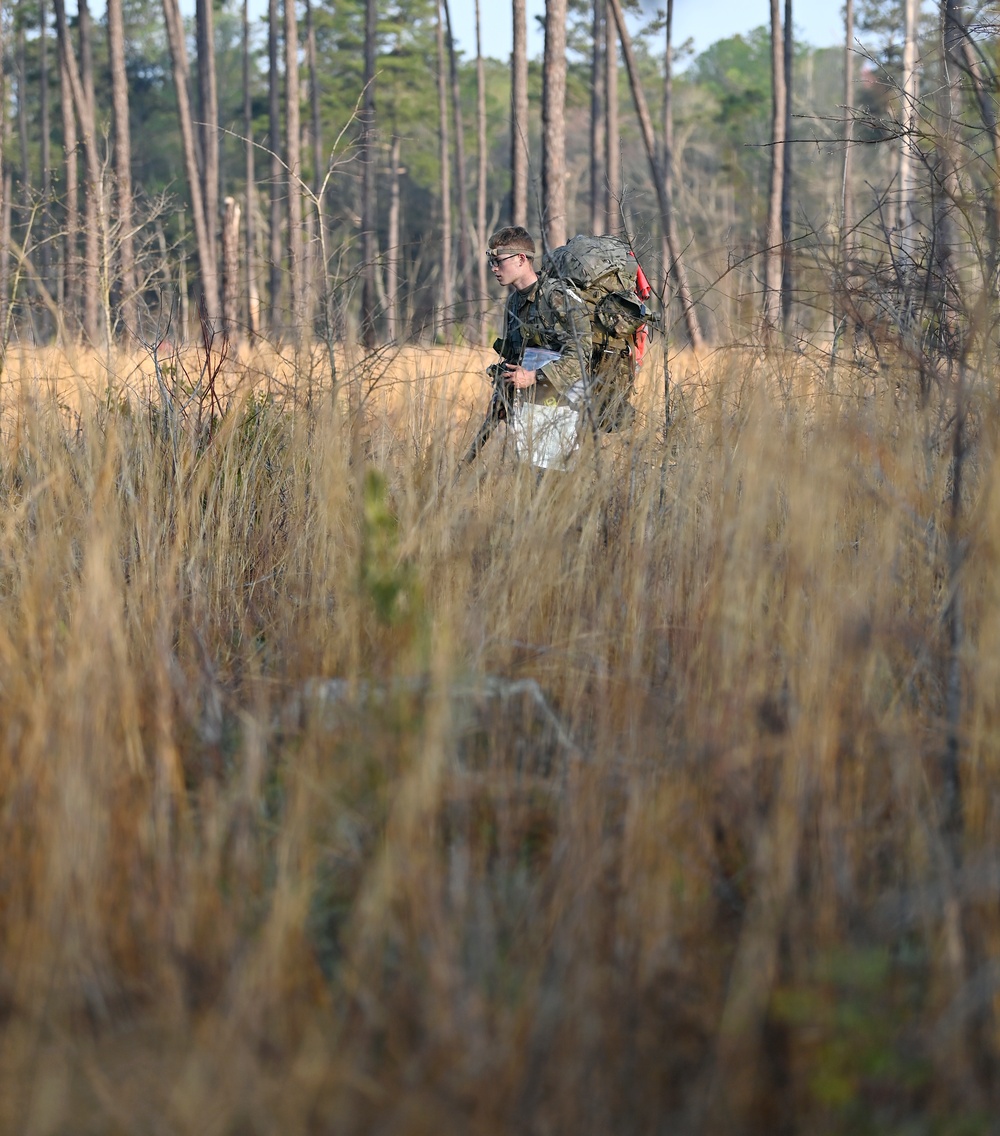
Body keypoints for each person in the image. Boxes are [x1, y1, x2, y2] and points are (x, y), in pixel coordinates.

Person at [486, 226, 593, 472]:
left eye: (498, 261)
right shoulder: (515, 301)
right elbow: (515, 355)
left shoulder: (557, 296)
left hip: (564, 408)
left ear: (521, 259)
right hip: (529, 409)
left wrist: (534, 376)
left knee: (555, 484)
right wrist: (502, 397)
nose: (494, 268)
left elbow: (581, 352)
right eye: (491, 262)